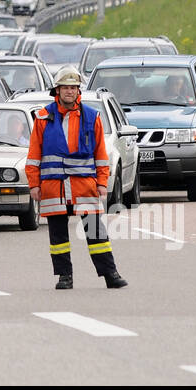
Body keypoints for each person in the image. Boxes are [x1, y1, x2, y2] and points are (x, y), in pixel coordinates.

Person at [25, 65, 127, 290]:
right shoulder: (43, 118)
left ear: (78, 90)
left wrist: (102, 183)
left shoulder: (92, 117)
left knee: (96, 232)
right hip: (54, 188)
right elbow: (33, 155)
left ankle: (110, 274)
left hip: (84, 186)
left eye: (73, 88)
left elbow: (101, 154)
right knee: (58, 237)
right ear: (57, 90)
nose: (70, 91)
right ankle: (64, 277)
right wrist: (34, 184)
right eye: (65, 88)